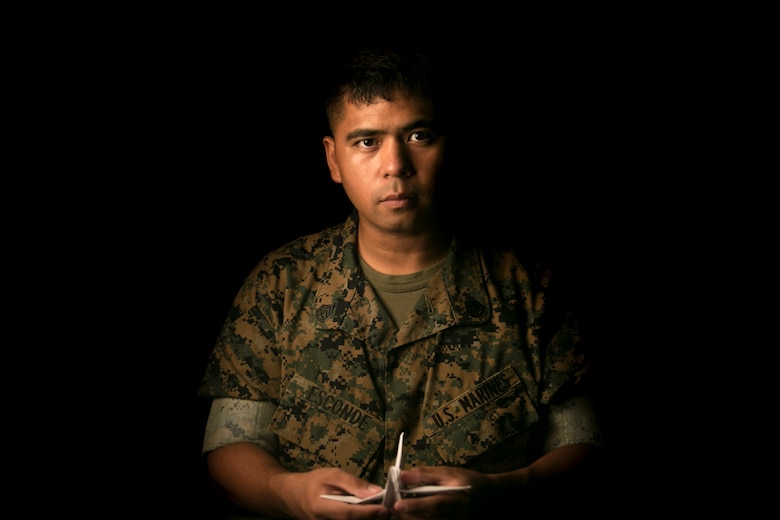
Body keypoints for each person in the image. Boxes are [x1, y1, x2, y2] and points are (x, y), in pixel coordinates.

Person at [197, 41, 606, 519]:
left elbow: (585, 442)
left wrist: (506, 489)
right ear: (333, 160)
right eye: (366, 141)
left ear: (449, 144)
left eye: (418, 136)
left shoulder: (530, 289)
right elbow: (230, 443)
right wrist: (287, 492)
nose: (395, 166)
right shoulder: (280, 283)